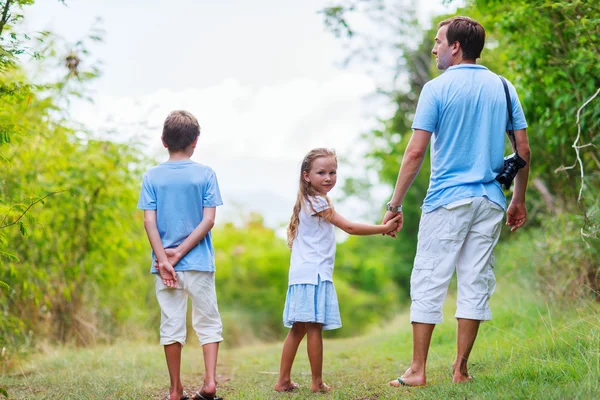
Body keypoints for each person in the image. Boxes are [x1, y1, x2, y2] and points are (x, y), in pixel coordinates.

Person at [382, 16, 531, 387]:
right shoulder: (503, 86)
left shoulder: (437, 89)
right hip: (491, 200)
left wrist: (395, 205)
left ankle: (417, 371)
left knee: (430, 279)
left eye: (437, 42)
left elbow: (415, 153)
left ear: (455, 47)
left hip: (448, 200)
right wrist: (518, 200)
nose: (434, 48)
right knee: (475, 281)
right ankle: (460, 369)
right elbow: (523, 150)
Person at [274, 148, 402, 394]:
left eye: (332, 172)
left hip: (303, 274)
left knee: (299, 329)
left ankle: (283, 381)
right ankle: (316, 383)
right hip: (313, 274)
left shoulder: (309, 200)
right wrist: (383, 227)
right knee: (313, 328)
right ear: (306, 176)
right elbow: (350, 227)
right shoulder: (317, 201)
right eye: (321, 172)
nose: (328, 177)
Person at [137, 110, 224, 400]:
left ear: (163, 141)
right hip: (198, 262)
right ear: (195, 142)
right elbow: (208, 220)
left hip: (164, 268)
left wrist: (164, 259)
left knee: (171, 323)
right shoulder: (206, 174)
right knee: (208, 322)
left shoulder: (152, 176)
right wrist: (182, 253)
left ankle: (175, 390)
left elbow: (149, 221)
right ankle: (209, 382)